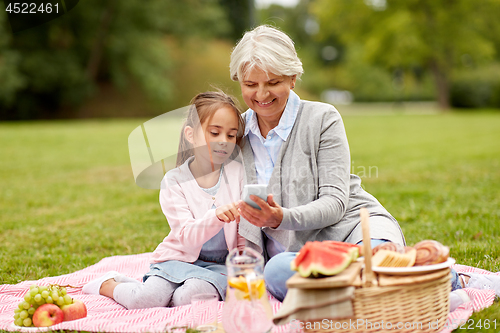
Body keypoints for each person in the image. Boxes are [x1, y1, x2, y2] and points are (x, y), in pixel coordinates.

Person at [230, 25, 500, 303]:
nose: (261, 95)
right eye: (250, 85)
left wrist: (280, 217)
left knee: (381, 260)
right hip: (293, 256)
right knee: (276, 272)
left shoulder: (322, 118)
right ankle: (404, 291)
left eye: (273, 82)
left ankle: (450, 281)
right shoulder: (234, 131)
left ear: (293, 78)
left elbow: (335, 203)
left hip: (353, 232)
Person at [83, 91, 246, 308]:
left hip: (220, 267)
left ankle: (158, 289)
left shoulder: (239, 174)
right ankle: (109, 285)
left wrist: (245, 267)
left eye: (231, 135)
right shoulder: (174, 181)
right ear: (190, 134)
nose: (223, 141)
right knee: (143, 300)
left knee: (188, 299)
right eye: (214, 132)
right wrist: (215, 216)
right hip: (177, 259)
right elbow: (188, 237)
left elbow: (245, 227)